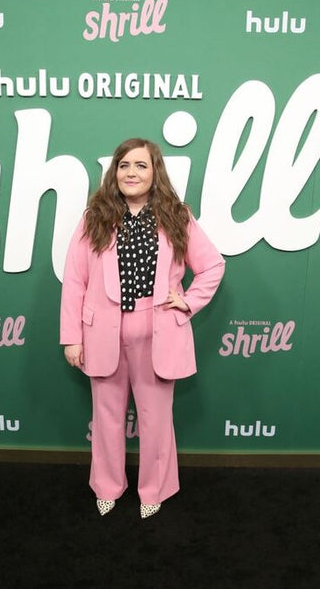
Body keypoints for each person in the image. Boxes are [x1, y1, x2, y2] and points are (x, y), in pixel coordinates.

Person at [60, 138, 225, 519]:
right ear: (114, 172)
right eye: (124, 165)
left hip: (158, 334)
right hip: (101, 334)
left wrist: (189, 300)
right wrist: (71, 337)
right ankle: (107, 487)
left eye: (141, 165)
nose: (131, 173)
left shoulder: (176, 216)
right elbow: (74, 281)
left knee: (155, 420)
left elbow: (213, 265)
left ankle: (154, 489)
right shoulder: (94, 218)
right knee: (106, 417)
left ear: (155, 173)